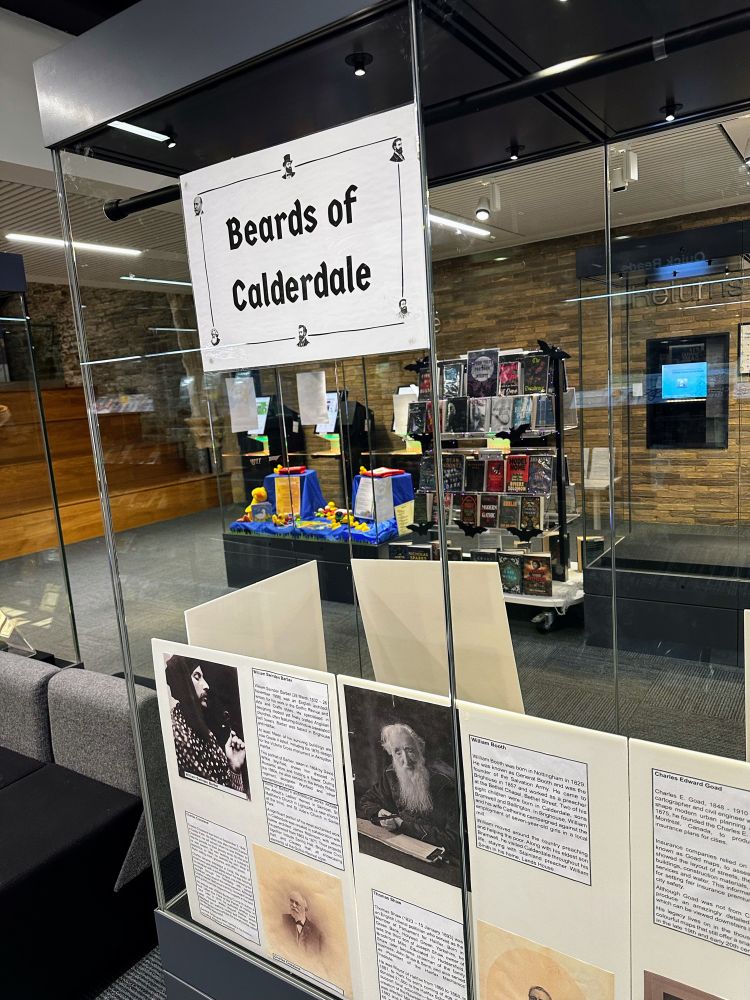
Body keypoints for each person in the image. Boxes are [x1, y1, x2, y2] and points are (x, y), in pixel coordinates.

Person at [359, 723, 460, 860]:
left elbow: (453, 839)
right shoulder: (392, 773)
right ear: (390, 752)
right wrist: (380, 814)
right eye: (398, 752)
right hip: (405, 849)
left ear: (421, 748)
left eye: (410, 750)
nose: (405, 761)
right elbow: (367, 801)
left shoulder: (444, 782)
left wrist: (401, 824)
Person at [165, 654, 246, 794]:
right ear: (183, 682)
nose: (206, 685)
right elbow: (219, 797)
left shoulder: (196, 724)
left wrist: (234, 766)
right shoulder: (179, 733)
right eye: (197, 677)